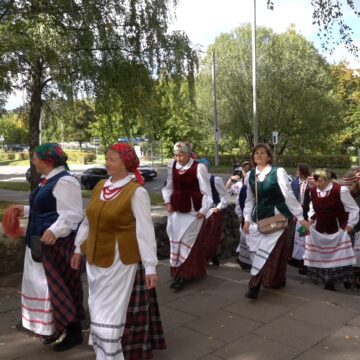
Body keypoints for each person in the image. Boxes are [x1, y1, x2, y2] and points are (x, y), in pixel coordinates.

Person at [71, 143, 166, 360]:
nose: (106, 163)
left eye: (112, 159)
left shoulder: (136, 192)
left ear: (126, 163)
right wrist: (78, 248)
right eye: (107, 158)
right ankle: (103, 350)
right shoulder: (100, 186)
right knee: (95, 305)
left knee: (113, 310)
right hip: (95, 260)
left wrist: (150, 267)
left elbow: (144, 231)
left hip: (119, 262)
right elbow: (89, 220)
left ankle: (112, 354)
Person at [9, 143, 84, 351]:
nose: (32, 161)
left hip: (56, 245)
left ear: (47, 161)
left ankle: (74, 333)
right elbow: (45, 208)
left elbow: (73, 213)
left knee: (59, 288)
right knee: (45, 289)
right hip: (40, 242)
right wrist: (23, 210)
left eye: (35, 158)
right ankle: (54, 329)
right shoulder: (48, 181)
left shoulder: (65, 181)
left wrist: (56, 230)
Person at [243, 143, 308, 299]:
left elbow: (288, 195)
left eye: (262, 153)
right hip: (259, 218)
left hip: (278, 218)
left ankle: (254, 285)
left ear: (269, 157)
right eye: (256, 153)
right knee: (262, 251)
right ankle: (277, 280)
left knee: (272, 252)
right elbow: (250, 200)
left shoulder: (278, 172)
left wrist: (300, 217)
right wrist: (246, 219)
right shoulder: (250, 175)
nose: (258, 155)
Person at [162, 141, 213, 290]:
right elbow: (169, 186)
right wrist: (167, 201)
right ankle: (177, 272)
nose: (179, 158)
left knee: (188, 242)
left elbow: (206, 191)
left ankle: (183, 276)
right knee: (175, 240)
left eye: (182, 155)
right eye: (176, 155)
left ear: (188, 154)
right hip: (177, 210)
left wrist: (204, 210)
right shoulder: (172, 165)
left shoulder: (199, 167)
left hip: (193, 212)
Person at [304, 169, 359, 291]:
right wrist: (310, 220)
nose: (317, 184)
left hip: (339, 228)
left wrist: (350, 224)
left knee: (339, 254)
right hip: (321, 228)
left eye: (320, 181)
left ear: (327, 179)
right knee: (325, 255)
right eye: (316, 181)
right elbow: (314, 209)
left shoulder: (340, 190)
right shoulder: (313, 191)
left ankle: (344, 279)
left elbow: (354, 209)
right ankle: (329, 281)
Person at [197, 157, 229, 266]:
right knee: (201, 237)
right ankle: (210, 257)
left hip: (213, 211)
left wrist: (219, 207)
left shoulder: (215, 180)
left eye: (203, 167)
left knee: (211, 236)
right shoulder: (196, 180)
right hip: (200, 212)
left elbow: (225, 195)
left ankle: (207, 258)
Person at [288, 163, 311, 275]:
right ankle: (295, 258)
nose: (296, 171)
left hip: (306, 214)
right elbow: (291, 197)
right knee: (296, 236)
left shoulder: (309, 183)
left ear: (302, 171)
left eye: (298, 169)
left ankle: (303, 261)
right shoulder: (294, 182)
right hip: (297, 214)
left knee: (304, 237)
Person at [343, 171, 360, 288]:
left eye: (350, 185)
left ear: (356, 182)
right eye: (346, 185)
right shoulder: (345, 193)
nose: (348, 188)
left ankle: (357, 278)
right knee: (348, 252)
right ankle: (348, 277)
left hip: (358, 228)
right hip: (348, 227)